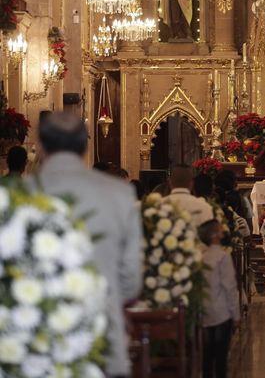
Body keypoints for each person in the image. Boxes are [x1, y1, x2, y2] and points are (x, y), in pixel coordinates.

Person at [34, 112, 142, 378]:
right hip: (100, 332)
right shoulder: (120, 194)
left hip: (36, 339)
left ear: (40, 145)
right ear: (85, 146)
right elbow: (131, 277)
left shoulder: (14, 195)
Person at [199, 220, 241, 378]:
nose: (223, 232)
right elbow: (230, 287)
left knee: (207, 356)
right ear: (215, 236)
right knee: (221, 357)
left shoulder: (202, 256)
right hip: (222, 312)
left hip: (206, 310)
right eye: (220, 230)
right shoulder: (223, 256)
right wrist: (236, 314)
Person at [163, 164, 213, 228]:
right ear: (192, 183)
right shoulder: (205, 207)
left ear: (170, 182)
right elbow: (210, 235)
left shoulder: (158, 205)